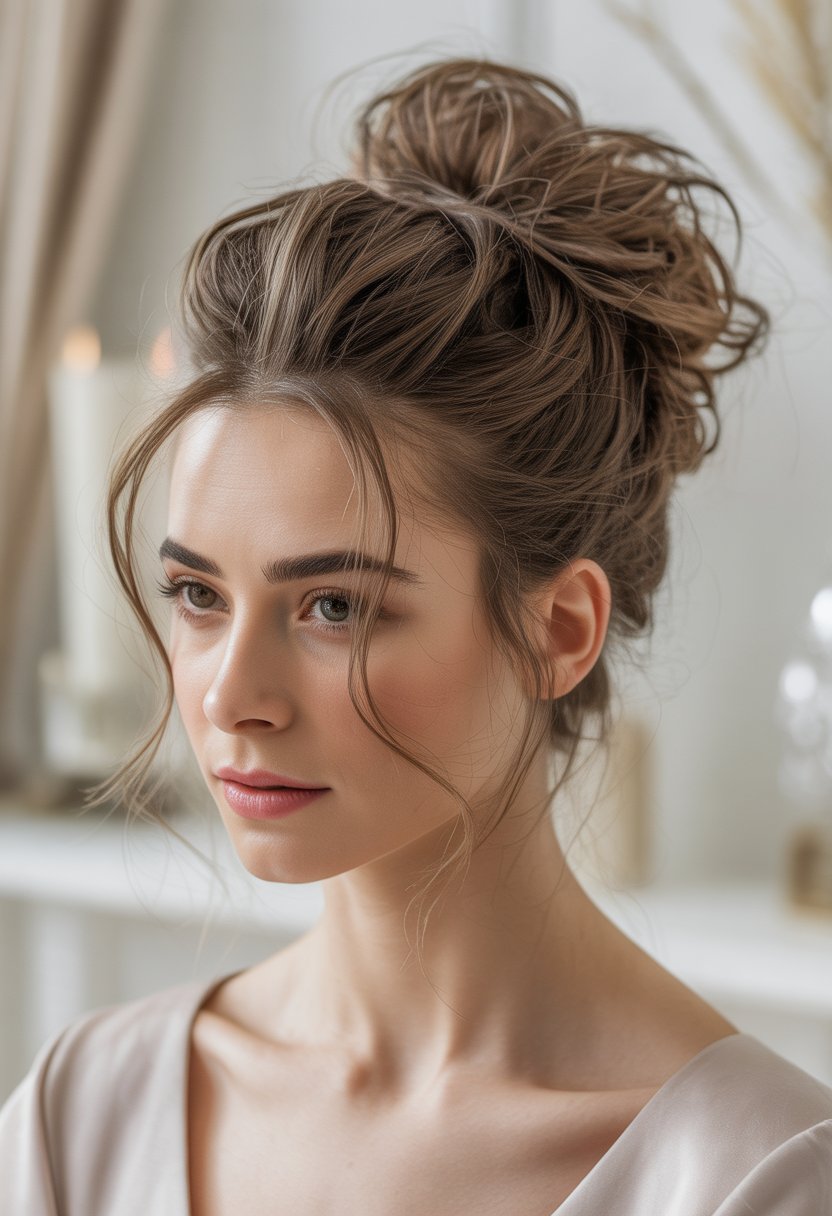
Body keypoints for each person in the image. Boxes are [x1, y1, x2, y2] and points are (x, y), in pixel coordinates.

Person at [2, 55, 830, 1216]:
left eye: (332, 607)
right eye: (199, 595)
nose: (233, 694)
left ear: (559, 627)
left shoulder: (756, 1178)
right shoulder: (79, 1119)